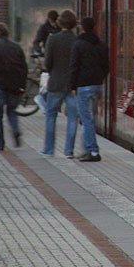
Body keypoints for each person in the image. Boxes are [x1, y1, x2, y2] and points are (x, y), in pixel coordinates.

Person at [69, 16, 110, 163]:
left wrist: (73, 86)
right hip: (97, 85)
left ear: (82, 27)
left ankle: (92, 151)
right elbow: (107, 66)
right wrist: (100, 79)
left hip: (83, 86)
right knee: (91, 118)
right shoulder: (102, 45)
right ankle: (86, 149)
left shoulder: (78, 45)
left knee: (86, 119)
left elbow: (74, 66)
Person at [0, 22, 27, 150]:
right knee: (12, 110)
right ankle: (15, 130)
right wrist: (22, 85)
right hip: (14, 84)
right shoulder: (16, 47)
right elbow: (23, 67)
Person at [41, 9, 78, 158]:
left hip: (55, 82)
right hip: (72, 85)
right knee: (72, 118)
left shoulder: (53, 39)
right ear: (74, 24)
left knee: (51, 116)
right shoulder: (77, 40)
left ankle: (48, 149)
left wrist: (51, 70)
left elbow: (47, 62)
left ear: (60, 22)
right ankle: (69, 151)